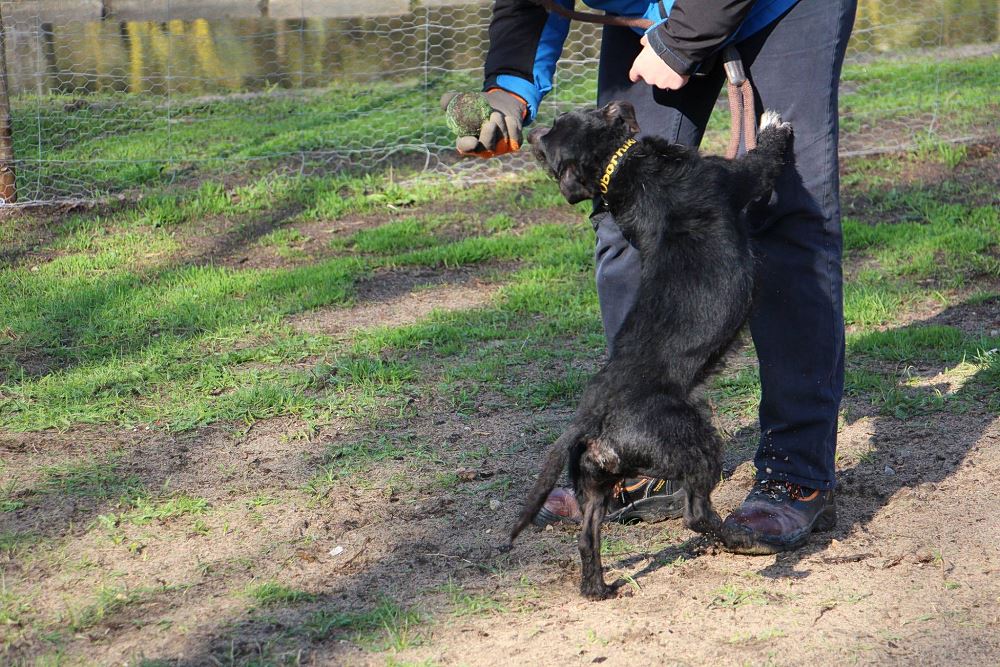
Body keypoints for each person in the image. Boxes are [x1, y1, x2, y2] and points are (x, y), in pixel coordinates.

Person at [448, 0, 857, 555]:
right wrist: (509, 86)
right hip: (652, 11)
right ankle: (641, 453)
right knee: (621, 196)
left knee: (784, 214)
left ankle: (795, 470)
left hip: (778, 9)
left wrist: (683, 40)